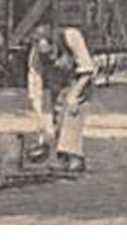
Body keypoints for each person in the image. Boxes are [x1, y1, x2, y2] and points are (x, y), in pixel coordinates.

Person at [27, 19, 97, 172]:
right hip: (58, 82)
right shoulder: (36, 55)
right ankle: (62, 157)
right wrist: (42, 124)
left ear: (54, 44)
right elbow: (35, 88)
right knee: (57, 116)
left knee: (73, 109)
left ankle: (74, 155)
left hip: (80, 79)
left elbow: (87, 68)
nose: (51, 58)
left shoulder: (71, 36)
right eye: (45, 55)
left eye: (51, 53)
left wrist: (73, 94)